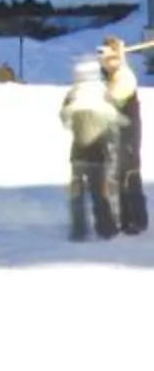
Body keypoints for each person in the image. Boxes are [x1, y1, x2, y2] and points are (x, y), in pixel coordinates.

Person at [61, 56, 121, 242]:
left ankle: (79, 230)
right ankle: (105, 228)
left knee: (77, 194)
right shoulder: (104, 93)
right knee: (100, 192)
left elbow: (64, 118)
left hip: (78, 152)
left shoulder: (73, 94)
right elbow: (114, 121)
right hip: (99, 152)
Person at [100, 35, 145, 235]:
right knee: (118, 177)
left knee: (130, 176)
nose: (104, 62)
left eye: (108, 58)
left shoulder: (124, 77)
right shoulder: (112, 74)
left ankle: (137, 220)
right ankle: (125, 220)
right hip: (117, 133)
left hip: (128, 135)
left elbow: (114, 98)